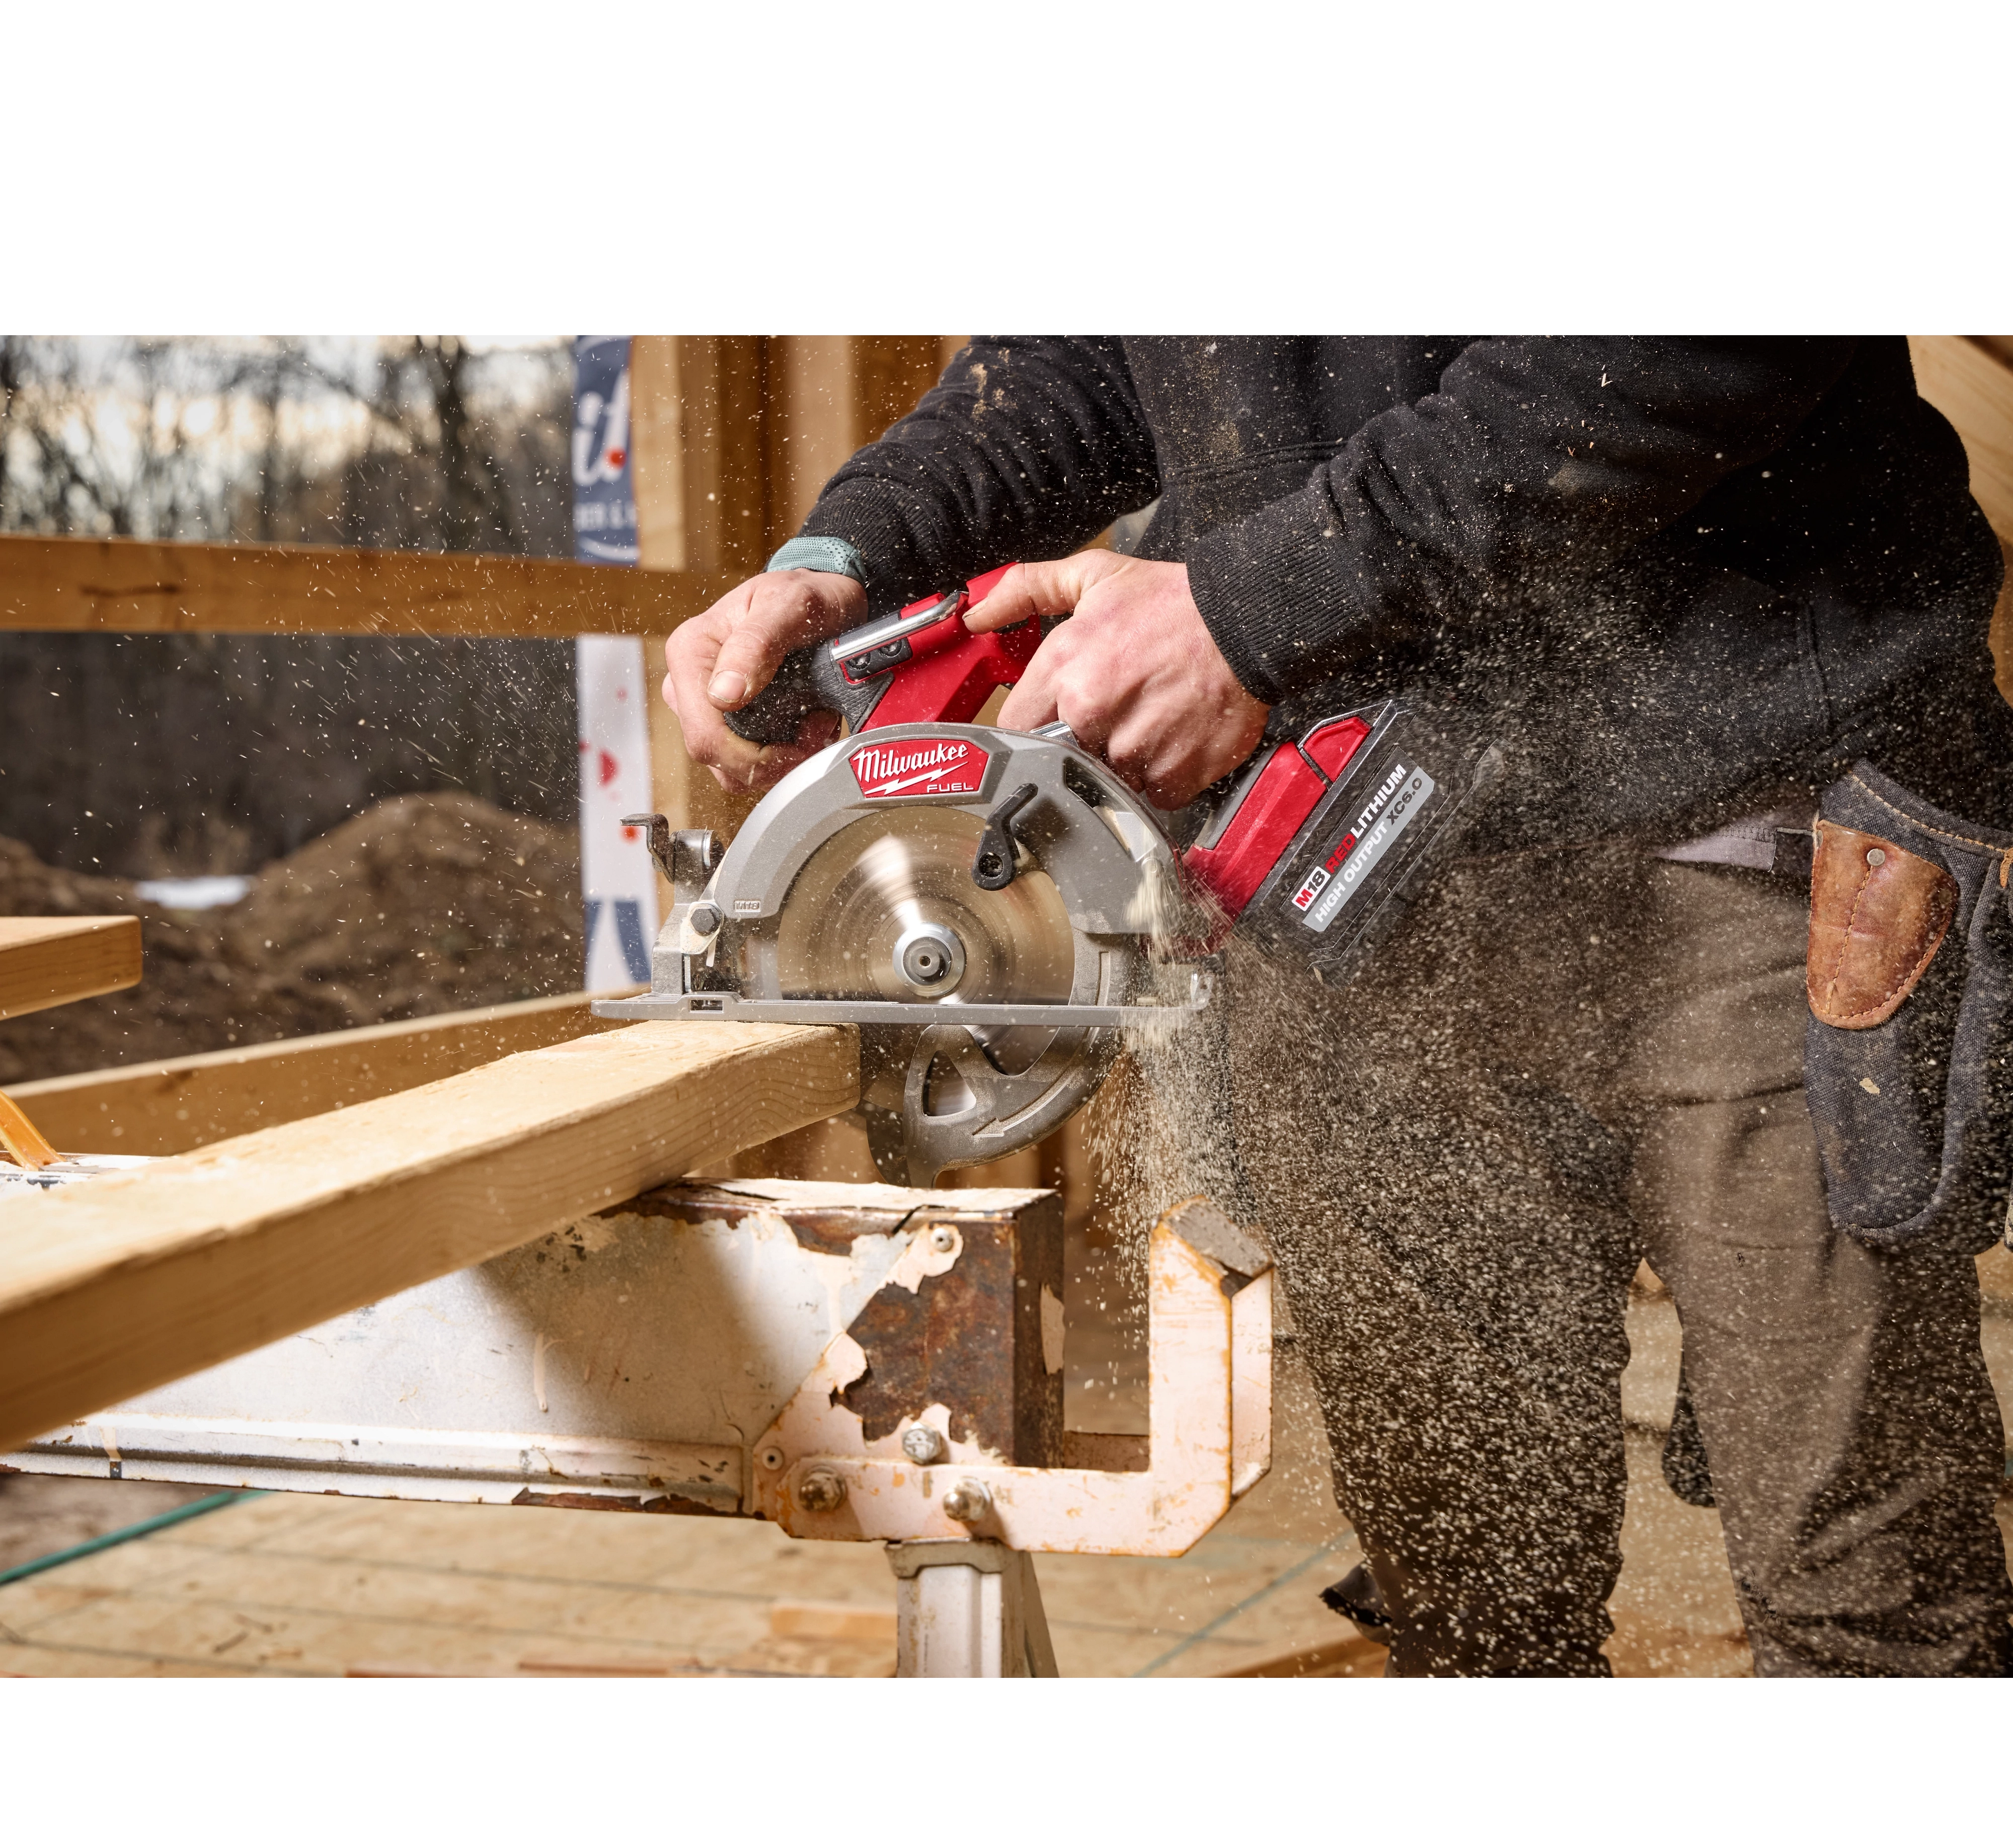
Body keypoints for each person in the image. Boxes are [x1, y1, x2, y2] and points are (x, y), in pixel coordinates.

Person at [663, 336, 2013, 1677]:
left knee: (1871, 1602)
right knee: (1468, 1613)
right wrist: (852, 555)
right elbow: (1085, 359)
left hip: (1744, 823)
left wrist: (1250, 607)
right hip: (1353, 867)